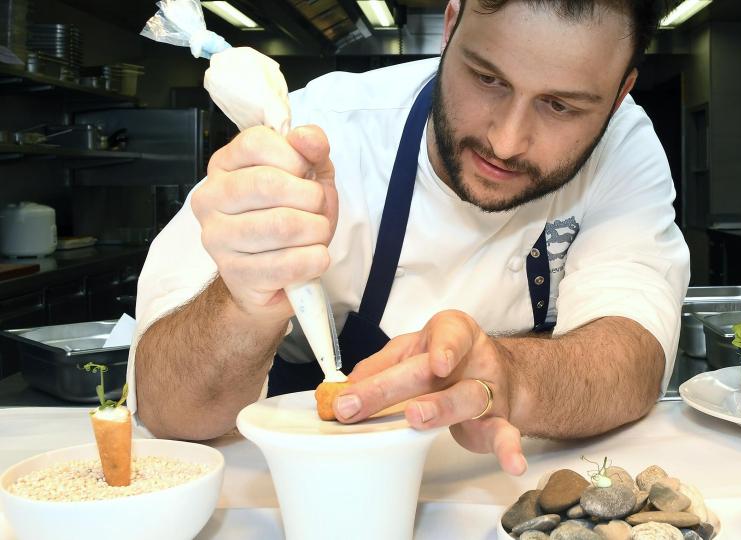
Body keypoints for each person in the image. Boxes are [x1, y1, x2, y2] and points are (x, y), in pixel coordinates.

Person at [128, 0, 690, 476]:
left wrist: (511, 377)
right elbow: (170, 412)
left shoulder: (624, 151)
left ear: (618, 98)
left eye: (560, 105)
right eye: (487, 78)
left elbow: (632, 356)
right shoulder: (319, 131)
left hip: (499, 488)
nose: (507, 140)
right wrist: (242, 300)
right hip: (309, 490)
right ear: (449, 28)